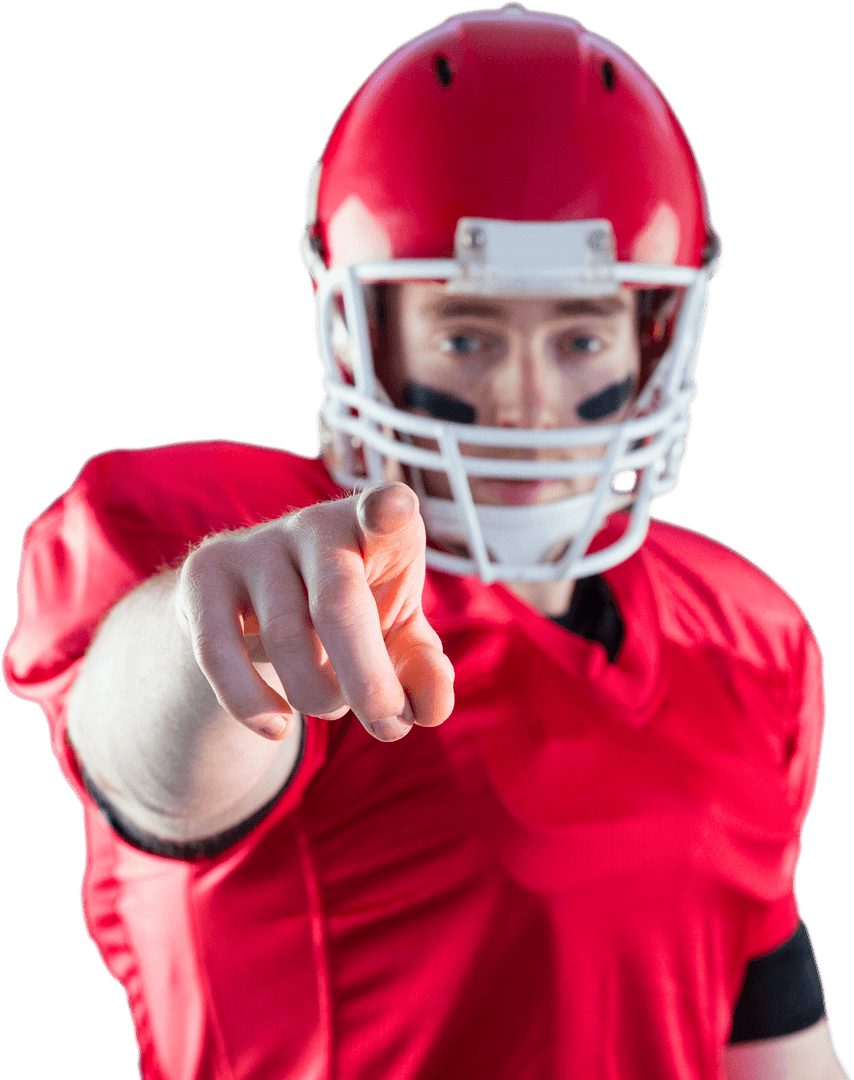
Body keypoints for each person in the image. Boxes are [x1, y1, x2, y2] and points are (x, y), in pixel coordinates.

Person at [3, 5, 849, 1078]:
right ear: (369, 333)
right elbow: (147, 773)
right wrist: (217, 636)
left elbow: (767, 1039)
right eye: (466, 334)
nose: (531, 406)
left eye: (579, 336)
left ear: (647, 339)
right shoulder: (254, 549)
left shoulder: (745, 635)